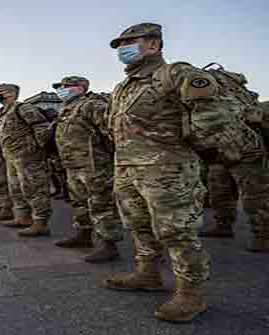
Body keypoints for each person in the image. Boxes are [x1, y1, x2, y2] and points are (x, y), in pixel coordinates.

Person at [105, 23, 211, 322]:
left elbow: (210, 114)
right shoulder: (124, 86)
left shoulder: (174, 73)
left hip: (167, 168)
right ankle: (147, 273)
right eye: (120, 45)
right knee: (138, 225)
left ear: (153, 44)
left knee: (177, 231)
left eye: (130, 42)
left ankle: (191, 294)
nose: (123, 49)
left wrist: (185, 148)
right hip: (128, 167)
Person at [51, 76, 123, 263]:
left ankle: (109, 245)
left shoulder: (92, 105)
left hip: (95, 165)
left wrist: (109, 157)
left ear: (80, 87)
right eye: (61, 87)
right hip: (73, 165)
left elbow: (111, 132)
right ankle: (83, 234)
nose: (62, 89)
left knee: (101, 205)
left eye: (66, 86)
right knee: (80, 202)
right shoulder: (66, 110)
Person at [0, 83, 52, 237]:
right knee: (16, 188)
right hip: (12, 156)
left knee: (34, 188)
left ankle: (40, 222)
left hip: (27, 156)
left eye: (0, 92)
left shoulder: (23, 108)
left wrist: (37, 149)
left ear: (11, 93)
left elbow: (41, 127)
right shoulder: (3, 112)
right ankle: (22, 217)